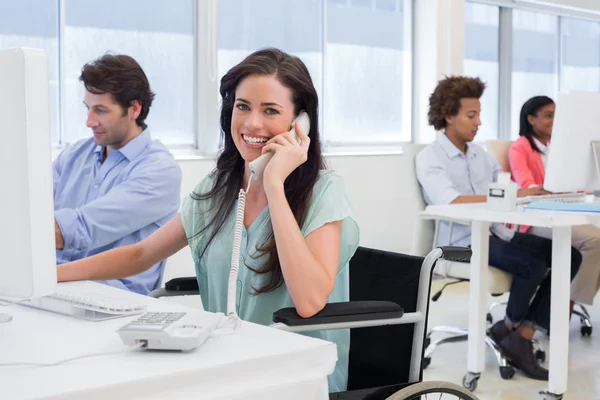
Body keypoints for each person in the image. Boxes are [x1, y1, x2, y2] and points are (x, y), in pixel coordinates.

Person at [56, 48, 360, 393]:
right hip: (227, 366)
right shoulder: (220, 187)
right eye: (242, 106)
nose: (252, 123)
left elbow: (309, 302)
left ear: (300, 124)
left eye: (270, 110)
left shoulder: (324, 191)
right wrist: (50, 277)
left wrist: (274, 184)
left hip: (298, 377)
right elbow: (141, 255)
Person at [415, 76, 582, 381]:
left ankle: (516, 330)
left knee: (569, 255)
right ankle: (513, 332)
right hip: (463, 243)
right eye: (471, 115)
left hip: (495, 233)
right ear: (449, 116)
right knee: (531, 263)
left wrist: (529, 192)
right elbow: (450, 201)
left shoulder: (480, 154)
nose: (478, 122)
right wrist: (514, 194)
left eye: (479, 114)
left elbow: (507, 186)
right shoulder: (430, 158)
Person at [53, 54, 182, 295]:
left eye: (100, 110)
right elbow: (29, 212)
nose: (89, 121)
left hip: (114, 299)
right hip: (56, 287)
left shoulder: (159, 170)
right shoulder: (73, 155)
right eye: (88, 108)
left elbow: (80, 230)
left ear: (134, 109)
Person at [509, 96, 600, 308]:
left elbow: (572, 182)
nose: (554, 121)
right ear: (531, 119)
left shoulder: (556, 147)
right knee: (595, 240)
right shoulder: (520, 148)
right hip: (534, 221)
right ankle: (564, 307)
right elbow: (529, 187)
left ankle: (566, 302)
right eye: (549, 116)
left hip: (561, 211)